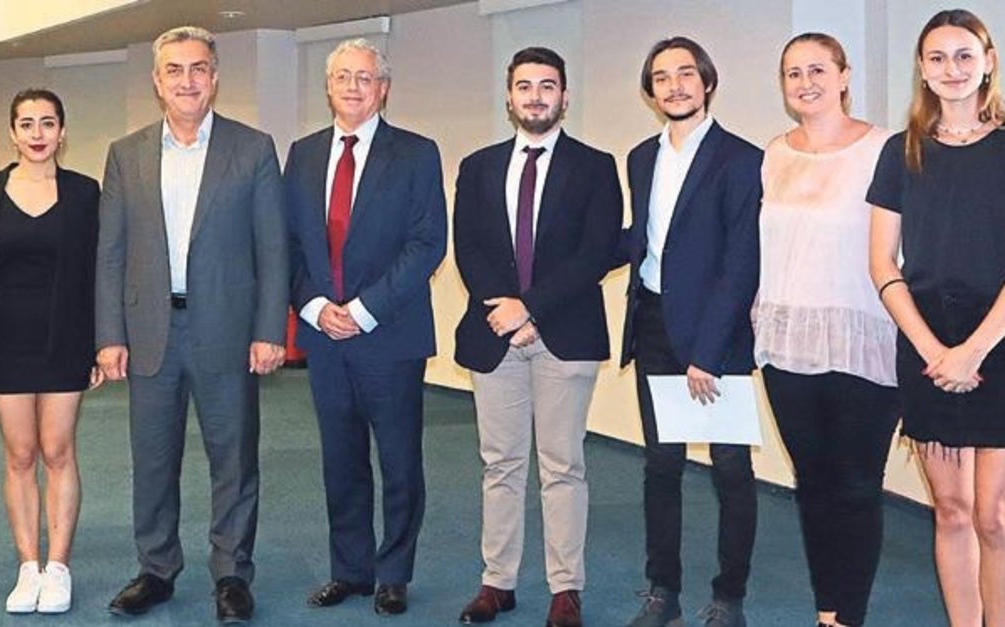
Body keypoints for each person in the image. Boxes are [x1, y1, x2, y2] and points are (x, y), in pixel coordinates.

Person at [95, 25, 288, 623]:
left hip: (228, 332)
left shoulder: (252, 148)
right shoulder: (126, 153)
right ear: (157, 81)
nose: (187, 80)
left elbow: (272, 249)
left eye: (198, 68)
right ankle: (156, 570)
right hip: (150, 333)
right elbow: (111, 253)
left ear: (215, 78)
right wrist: (109, 335)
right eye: (174, 70)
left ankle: (232, 575)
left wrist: (270, 330)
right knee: (153, 461)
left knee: (234, 460)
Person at [451, 46, 621, 627]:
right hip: (494, 334)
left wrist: (530, 309)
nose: (536, 96)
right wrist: (505, 311)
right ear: (509, 97)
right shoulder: (478, 166)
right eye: (525, 86)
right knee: (500, 463)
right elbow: (468, 247)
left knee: (562, 465)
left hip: (565, 334)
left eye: (547, 86)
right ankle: (497, 582)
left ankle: (565, 588)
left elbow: (595, 252)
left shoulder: (595, 166)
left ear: (564, 97)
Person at [284, 38, 446, 617]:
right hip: (324, 335)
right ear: (328, 87)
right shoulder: (303, 154)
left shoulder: (417, 153)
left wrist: (362, 309)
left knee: (400, 462)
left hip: (390, 334)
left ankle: (393, 574)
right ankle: (350, 571)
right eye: (343, 77)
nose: (353, 87)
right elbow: (288, 244)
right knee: (341, 459)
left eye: (365, 78)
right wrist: (313, 306)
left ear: (384, 89)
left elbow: (427, 243)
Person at [617, 37, 762, 627]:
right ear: (650, 91)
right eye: (661, 77)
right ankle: (663, 591)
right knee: (660, 466)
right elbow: (647, 239)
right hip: (653, 325)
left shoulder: (741, 158)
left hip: (715, 336)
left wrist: (708, 352)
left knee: (731, 471)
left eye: (685, 74)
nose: (674, 86)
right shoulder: (640, 158)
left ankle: (730, 596)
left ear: (707, 82)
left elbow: (741, 262)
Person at [754, 33, 897, 627]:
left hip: (863, 338)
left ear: (844, 75)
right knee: (812, 482)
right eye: (793, 73)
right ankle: (827, 609)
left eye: (817, 69)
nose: (805, 82)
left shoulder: (885, 148)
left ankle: (850, 616)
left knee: (858, 485)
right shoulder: (774, 153)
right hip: (786, 342)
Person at [867, 9, 1005, 627]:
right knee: (951, 512)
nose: (952, 69)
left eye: (964, 55)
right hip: (925, 345)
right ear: (922, 70)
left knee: (994, 517)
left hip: (998, 342)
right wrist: (933, 350)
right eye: (938, 58)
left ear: (988, 62)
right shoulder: (901, 152)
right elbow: (882, 263)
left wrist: (973, 350)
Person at [0, 88, 101, 615]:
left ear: (63, 131)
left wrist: (100, 343)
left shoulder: (84, 192)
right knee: (19, 454)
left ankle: (58, 567)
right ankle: (28, 566)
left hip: (66, 336)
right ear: (12, 133)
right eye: (27, 124)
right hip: (4, 338)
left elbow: (95, 272)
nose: (38, 134)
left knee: (58, 450)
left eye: (48, 123)